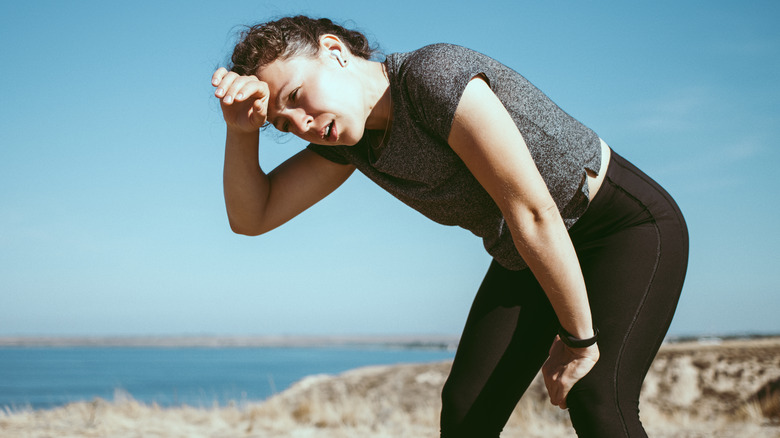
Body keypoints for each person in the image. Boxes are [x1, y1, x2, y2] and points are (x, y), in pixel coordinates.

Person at [211, 15, 688, 437]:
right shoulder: (350, 143)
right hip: (527, 252)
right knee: (466, 414)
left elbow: (533, 212)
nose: (301, 122)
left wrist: (580, 342)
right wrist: (241, 131)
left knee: (597, 400)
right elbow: (253, 217)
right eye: (283, 123)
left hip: (618, 227)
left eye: (295, 96)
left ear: (334, 51)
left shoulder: (431, 77)